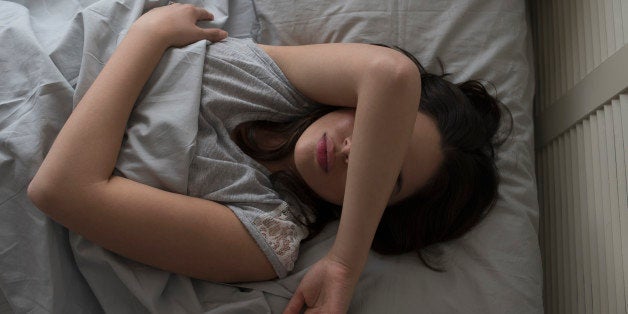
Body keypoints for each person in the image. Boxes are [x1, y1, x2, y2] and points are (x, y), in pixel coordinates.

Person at [27, 4, 509, 314]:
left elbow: (62, 190)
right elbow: (391, 73)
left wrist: (147, 38)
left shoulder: (265, 233)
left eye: (388, 175)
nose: (352, 151)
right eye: (378, 130)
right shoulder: (274, 78)